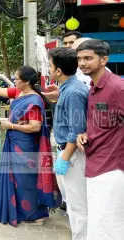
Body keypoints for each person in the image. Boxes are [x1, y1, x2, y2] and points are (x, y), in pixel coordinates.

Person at [0, 66, 60, 227]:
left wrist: (11, 126)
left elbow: (35, 127)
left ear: (27, 81)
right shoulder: (19, 93)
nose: (14, 81)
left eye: (17, 79)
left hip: (25, 145)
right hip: (15, 141)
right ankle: (22, 211)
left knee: (25, 179)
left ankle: (35, 215)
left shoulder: (34, 100)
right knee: (16, 177)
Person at [76, 40, 124, 240]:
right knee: (97, 219)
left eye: (88, 58)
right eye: (79, 59)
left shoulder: (117, 88)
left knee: (108, 222)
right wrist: (86, 133)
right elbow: (103, 121)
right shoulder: (93, 87)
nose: (82, 63)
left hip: (113, 167)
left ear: (104, 59)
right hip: (94, 163)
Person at [48, 47, 88, 240]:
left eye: (50, 65)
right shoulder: (68, 88)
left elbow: (76, 130)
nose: (48, 68)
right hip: (67, 152)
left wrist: (64, 157)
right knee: (71, 202)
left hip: (72, 154)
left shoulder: (73, 92)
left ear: (58, 71)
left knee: (78, 204)